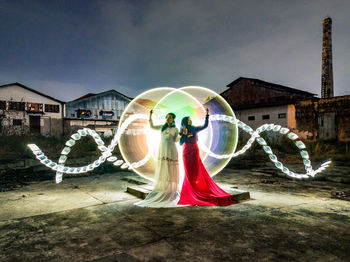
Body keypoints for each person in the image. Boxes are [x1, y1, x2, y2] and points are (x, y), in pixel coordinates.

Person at [178, 108, 236, 206]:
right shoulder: (183, 130)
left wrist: (207, 115)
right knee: (188, 170)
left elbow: (205, 125)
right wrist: (183, 135)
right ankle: (191, 189)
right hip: (186, 152)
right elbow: (180, 143)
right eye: (188, 119)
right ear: (184, 121)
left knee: (196, 170)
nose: (190, 120)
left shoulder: (194, 128)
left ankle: (196, 188)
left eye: (190, 119)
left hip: (194, 151)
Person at [135, 110, 181, 207]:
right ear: (166, 119)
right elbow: (152, 126)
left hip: (172, 150)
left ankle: (171, 189)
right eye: (168, 117)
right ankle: (164, 187)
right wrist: (150, 116)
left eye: (171, 117)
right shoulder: (162, 127)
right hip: (163, 149)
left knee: (170, 168)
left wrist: (183, 135)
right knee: (164, 168)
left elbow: (177, 140)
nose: (169, 118)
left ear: (173, 119)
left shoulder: (175, 129)